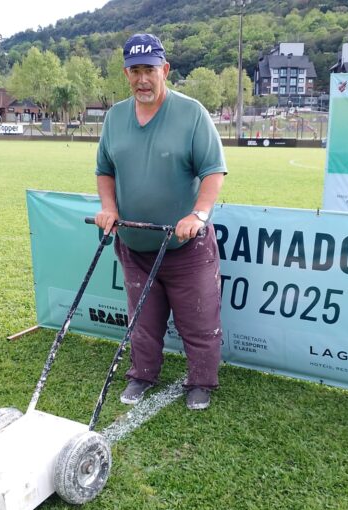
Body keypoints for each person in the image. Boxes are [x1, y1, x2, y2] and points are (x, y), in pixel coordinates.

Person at [94, 33, 227, 411]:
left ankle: (201, 381)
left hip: (186, 246)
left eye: (149, 70)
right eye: (135, 71)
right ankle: (142, 375)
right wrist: (109, 207)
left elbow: (213, 171)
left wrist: (198, 215)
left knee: (199, 321)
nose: (142, 79)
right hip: (135, 246)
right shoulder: (115, 116)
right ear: (126, 74)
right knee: (142, 321)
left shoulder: (191, 112)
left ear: (164, 69)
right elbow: (104, 170)